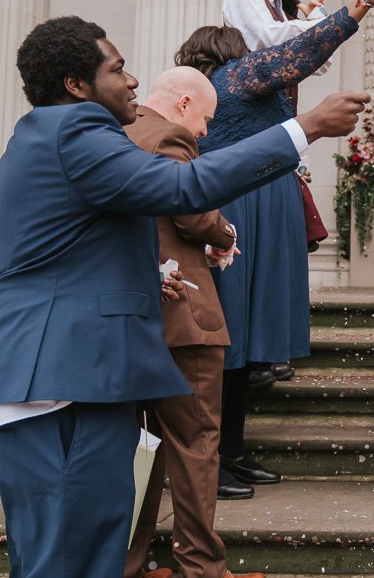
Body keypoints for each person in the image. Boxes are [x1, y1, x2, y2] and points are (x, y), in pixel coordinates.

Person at [0, 16, 367, 578]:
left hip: (78, 380)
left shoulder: (53, 136)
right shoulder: (75, 133)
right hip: (53, 387)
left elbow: (56, 251)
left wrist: (143, 279)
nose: (132, 81)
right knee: (66, 560)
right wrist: (307, 127)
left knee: (94, 552)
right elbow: (184, 188)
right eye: (117, 69)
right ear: (77, 86)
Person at [177, 0, 374, 500]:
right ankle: (214, 460)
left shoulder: (227, 83)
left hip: (263, 206)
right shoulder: (235, 76)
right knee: (230, 341)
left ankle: (231, 451)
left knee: (245, 342)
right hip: (242, 213)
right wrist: (357, 9)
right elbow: (297, 55)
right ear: (231, 53)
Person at [121, 66, 258, 578]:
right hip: (182, 317)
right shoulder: (169, 136)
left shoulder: (116, 133)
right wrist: (223, 233)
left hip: (129, 317)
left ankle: (128, 563)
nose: (204, 132)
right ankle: (200, 567)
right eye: (205, 119)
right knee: (196, 445)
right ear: (182, 105)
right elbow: (192, 212)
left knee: (137, 448)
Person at [224, 0, 331, 388]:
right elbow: (268, 40)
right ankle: (250, 349)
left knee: (282, 246)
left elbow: (318, 60)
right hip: (251, 125)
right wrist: (317, 26)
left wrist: (312, 22)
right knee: (257, 243)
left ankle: (270, 346)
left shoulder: (285, 8)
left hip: (278, 125)